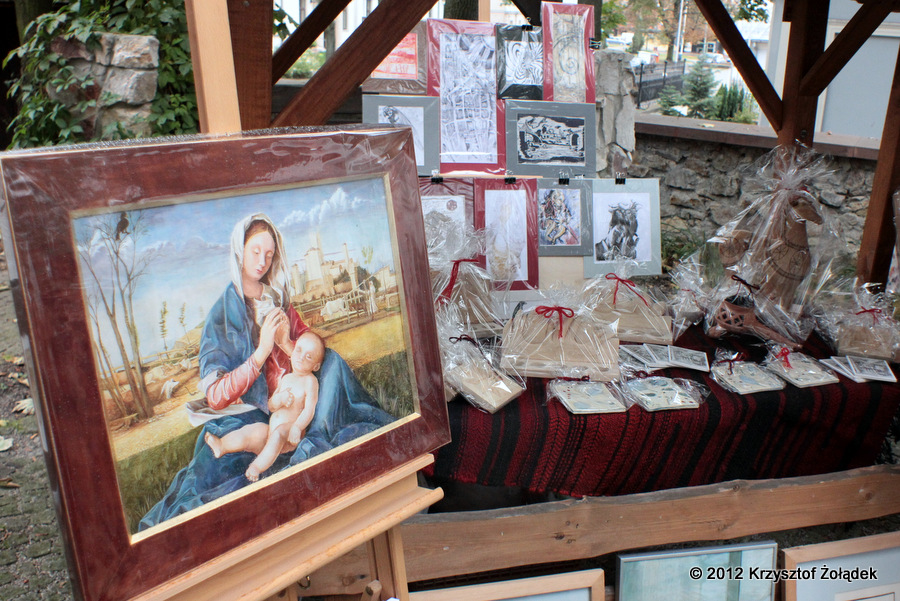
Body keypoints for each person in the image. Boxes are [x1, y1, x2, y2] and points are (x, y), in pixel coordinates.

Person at [138, 213, 394, 530]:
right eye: (255, 251)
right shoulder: (222, 316)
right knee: (219, 473)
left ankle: (314, 439)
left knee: (333, 363)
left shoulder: (277, 298)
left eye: (269, 255)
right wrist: (260, 353)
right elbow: (215, 396)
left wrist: (285, 343)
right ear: (239, 251)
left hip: (297, 397)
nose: (262, 262)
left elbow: (310, 348)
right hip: (253, 410)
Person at [204, 331, 325, 482]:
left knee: (279, 433)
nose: (301, 357)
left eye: (309, 356)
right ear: (293, 351)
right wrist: (278, 400)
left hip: (289, 436)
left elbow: (309, 410)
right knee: (253, 430)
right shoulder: (286, 378)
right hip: (271, 432)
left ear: (316, 366)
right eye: (299, 350)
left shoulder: (310, 381)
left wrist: (297, 427)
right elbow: (271, 406)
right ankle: (222, 446)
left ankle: (256, 467)